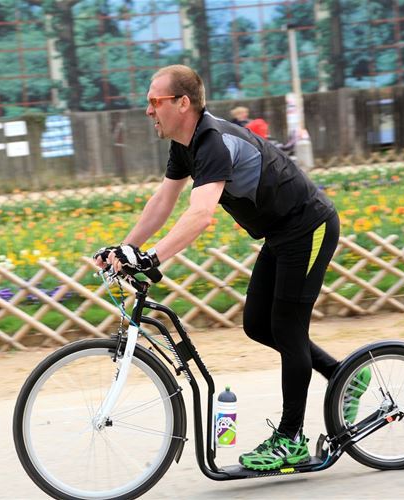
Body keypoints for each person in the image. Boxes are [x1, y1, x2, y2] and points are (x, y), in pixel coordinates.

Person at [94, 64, 371, 471]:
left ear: (182, 103)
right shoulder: (185, 144)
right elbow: (164, 201)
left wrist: (152, 259)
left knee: (289, 329)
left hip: (308, 226)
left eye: (154, 102)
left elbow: (201, 214)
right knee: (258, 325)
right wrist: (126, 248)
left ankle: (290, 439)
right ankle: (344, 374)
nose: (148, 111)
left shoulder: (213, 143)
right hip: (281, 234)